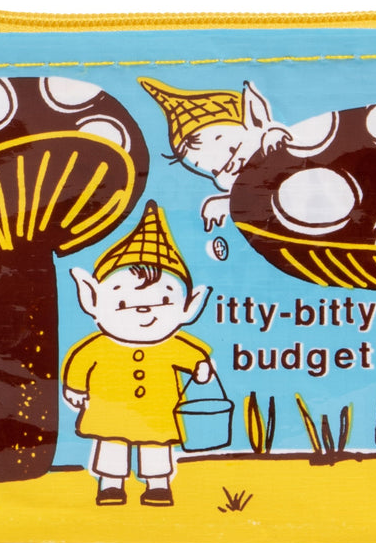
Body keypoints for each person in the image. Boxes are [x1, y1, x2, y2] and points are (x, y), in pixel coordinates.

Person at [62, 200, 214, 506]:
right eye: (123, 304)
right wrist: (75, 389)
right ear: (91, 300)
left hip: (158, 411)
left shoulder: (172, 345)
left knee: (157, 448)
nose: (144, 310)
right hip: (109, 411)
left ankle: (158, 485)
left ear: (189, 307)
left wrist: (201, 369)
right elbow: (80, 364)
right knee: (111, 446)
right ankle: (110, 485)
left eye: (163, 302)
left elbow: (196, 359)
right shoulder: (97, 346)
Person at [139, 77, 291, 231]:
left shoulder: (277, 144)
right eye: (215, 171)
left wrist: (274, 138)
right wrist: (228, 203)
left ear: (256, 118)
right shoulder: (252, 184)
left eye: (232, 149)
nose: (229, 168)